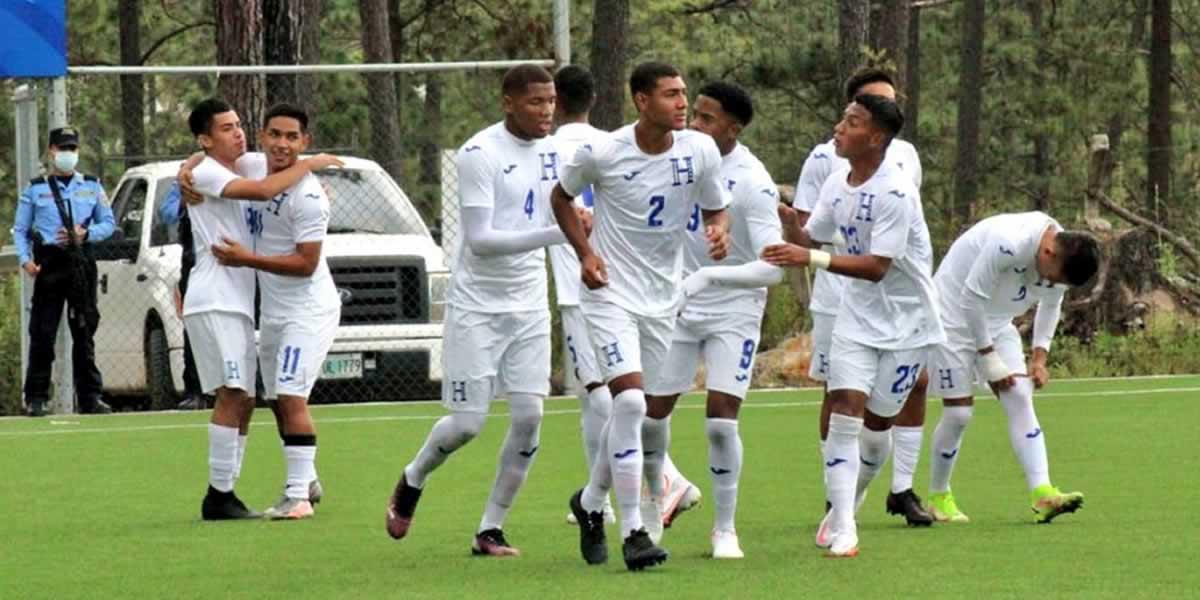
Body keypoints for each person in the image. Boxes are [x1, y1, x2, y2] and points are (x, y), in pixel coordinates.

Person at [385, 65, 570, 556]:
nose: (546, 110)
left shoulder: (559, 150)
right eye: (536, 102)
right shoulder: (479, 153)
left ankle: (490, 528)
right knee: (469, 424)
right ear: (508, 102)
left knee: (530, 416)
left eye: (551, 101)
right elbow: (482, 242)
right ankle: (414, 476)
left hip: (530, 303)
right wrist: (561, 234)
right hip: (477, 307)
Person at [553, 61, 732, 571]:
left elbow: (717, 208)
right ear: (640, 101)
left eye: (684, 93)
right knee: (628, 402)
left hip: (662, 300)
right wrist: (585, 253)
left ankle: (590, 502)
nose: (682, 103)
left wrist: (720, 229)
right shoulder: (604, 151)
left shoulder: (699, 151)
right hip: (608, 293)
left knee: (645, 412)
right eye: (672, 94)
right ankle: (633, 530)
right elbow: (560, 199)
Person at [763, 94, 943, 558]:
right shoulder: (837, 183)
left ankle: (851, 500)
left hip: (908, 323)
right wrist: (789, 226)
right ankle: (844, 525)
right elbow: (812, 236)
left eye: (852, 122)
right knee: (845, 407)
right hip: (856, 318)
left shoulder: (896, 191)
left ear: (876, 137)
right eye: (842, 117)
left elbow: (878, 266)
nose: (839, 128)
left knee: (879, 425)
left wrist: (810, 255)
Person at [644, 81, 784, 559]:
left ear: (733, 128)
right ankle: (651, 508)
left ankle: (725, 528)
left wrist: (709, 278)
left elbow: (773, 267)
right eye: (694, 113)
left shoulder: (753, 182)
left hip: (733, 309)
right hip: (676, 305)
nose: (694, 123)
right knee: (648, 414)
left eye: (707, 118)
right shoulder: (675, 155)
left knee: (721, 424)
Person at [184, 98, 339, 520]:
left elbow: (306, 263)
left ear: (302, 139)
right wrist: (314, 161)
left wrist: (307, 170)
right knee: (242, 396)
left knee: (269, 397)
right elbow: (265, 189)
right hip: (218, 298)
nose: (239, 134)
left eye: (239, 126)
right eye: (274, 134)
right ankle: (221, 496)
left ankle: (296, 491)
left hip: (294, 306)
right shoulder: (219, 171)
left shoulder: (262, 170)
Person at [923, 213, 1099, 524]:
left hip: (995, 322)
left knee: (1019, 394)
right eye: (1052, 278)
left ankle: (1042, 493)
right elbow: (970, 300)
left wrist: (1040, 357)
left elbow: (1051, 305)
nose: (1050, 284)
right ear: (1047, 253)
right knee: (959, 414)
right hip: (950, 318)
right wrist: (988, 356)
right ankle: (938, 497)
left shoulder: (1063, 253)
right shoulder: (1008, 243)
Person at [547, 65, 618, 526]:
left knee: (601, 394)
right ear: (593, 99)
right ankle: (602, 496)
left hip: (580, 286)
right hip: (622, 281)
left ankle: (650, 482)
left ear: (553, 101)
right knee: (599, 394)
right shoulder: (613, 145)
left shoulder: (546, 150)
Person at [12, 126, 115, 417]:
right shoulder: (35, 189)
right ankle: (36, 397)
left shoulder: (92, 186)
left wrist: (87, 233)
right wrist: (25, 260)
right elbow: (20, 229)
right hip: (50, 262)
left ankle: (90, 396)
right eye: (61, 149)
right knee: (43, 330)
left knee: (84, 330)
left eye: (72, 149)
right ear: (51, 151)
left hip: (81, 261)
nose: (67, 154)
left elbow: (108, 223)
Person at [157, 184, 206, 410]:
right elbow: (167, 213)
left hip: (233, 263)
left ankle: (253, 386)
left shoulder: (240, 173)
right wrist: (184, 201)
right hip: (196, 264)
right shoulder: (188, 178)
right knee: (194, 325)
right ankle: (195, 391)